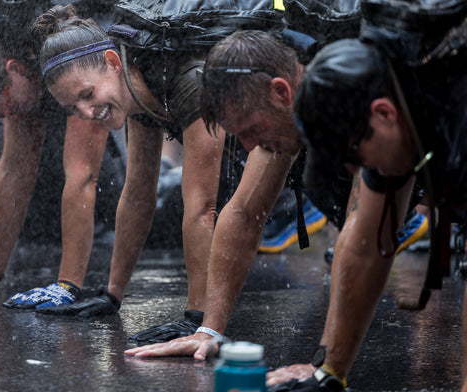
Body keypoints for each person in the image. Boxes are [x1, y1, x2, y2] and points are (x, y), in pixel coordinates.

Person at [122, 30, 426, 360]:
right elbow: (243, 214)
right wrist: (209, 331)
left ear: (281, 92)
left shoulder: (350, 108)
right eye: (241, 136)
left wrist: (326, 368)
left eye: (251, 129)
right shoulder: (283, 115)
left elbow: (363, 239)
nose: (250, 146)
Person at [29, 7, 327, 344]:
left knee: (231, 202)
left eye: (87, 95)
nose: (85, 113)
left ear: (113, 63)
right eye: (73, 108)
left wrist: (197, 321)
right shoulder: (133, 84)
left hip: (286, 106)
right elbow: (138, 192)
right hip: (247, 126)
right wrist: (111, 295)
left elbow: (203, 207)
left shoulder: (184, 79)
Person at [267, 38, 465, 392]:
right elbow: (365, 246)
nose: (358, 169)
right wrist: (328, 373)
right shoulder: (393, 120)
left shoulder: (456, 116)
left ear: (384, 114)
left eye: (355, 156)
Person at [0, 12, 123, 309]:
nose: (10, 114)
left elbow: (83, 177)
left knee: (106, 181)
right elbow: (14, 168)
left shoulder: (76, 72)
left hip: (98, 70)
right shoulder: (15, 65)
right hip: (43, 74)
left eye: (6, 108)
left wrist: (67, 286)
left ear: (14, 70)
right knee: (16, 154)